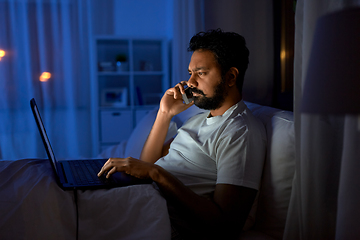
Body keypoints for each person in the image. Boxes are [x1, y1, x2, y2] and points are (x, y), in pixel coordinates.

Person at [98, 29, 266, 240]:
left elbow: (225, 226)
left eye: (201, 73)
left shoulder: (240, 131)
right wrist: (164, 113)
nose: (191, 82)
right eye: (190, 73)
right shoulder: (198, 119)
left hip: (163, 221)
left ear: (230, 77)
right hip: (142, 201)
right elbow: (148, 163)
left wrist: (156, 174)